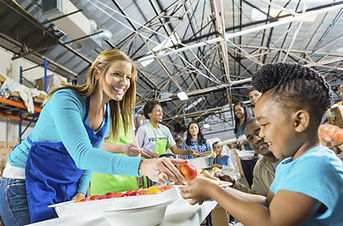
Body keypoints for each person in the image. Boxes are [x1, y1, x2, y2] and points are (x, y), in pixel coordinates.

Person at [0, 49, 185, 225]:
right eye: (117, 74)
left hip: (59, 185)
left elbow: (91, 155)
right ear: (97, 72)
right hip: (23, 182)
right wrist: (143, 165)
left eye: (128, 77)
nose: (124, 82)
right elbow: (83, 155)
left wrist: (81, 191)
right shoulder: (67, 99)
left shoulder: (105, 114)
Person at [180, 62, 343, 225]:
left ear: (299, 121)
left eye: (264, 125)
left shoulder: (315, 165)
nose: (262, 134)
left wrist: (212, 190)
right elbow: (267, 203)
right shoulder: (289, 164)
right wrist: (220, 188)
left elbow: (271, 221)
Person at [216, 117, 279, 196]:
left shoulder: (294, 157)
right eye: (250, 138)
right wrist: (233, 183)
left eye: (258, 132)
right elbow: (256, 196)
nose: (256, 140)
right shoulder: (260, 167)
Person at [90, 116, 140, 195]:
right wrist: (124, 148)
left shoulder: (127, 113)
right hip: (106, 181)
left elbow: (134, 141)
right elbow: (93, 146)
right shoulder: (98, 112)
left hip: (129, 178)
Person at [233, 102, 258, 187]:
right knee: (250, 182)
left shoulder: (250, 122)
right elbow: (239, 142)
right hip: (243, 158)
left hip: (253, 155)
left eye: (239, 109)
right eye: (235, 111)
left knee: (258, 181)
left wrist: (245, 141)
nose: (237, 112)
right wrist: (234, 145)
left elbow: (256, 137)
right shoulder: (237, 126)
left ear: (245, 110)